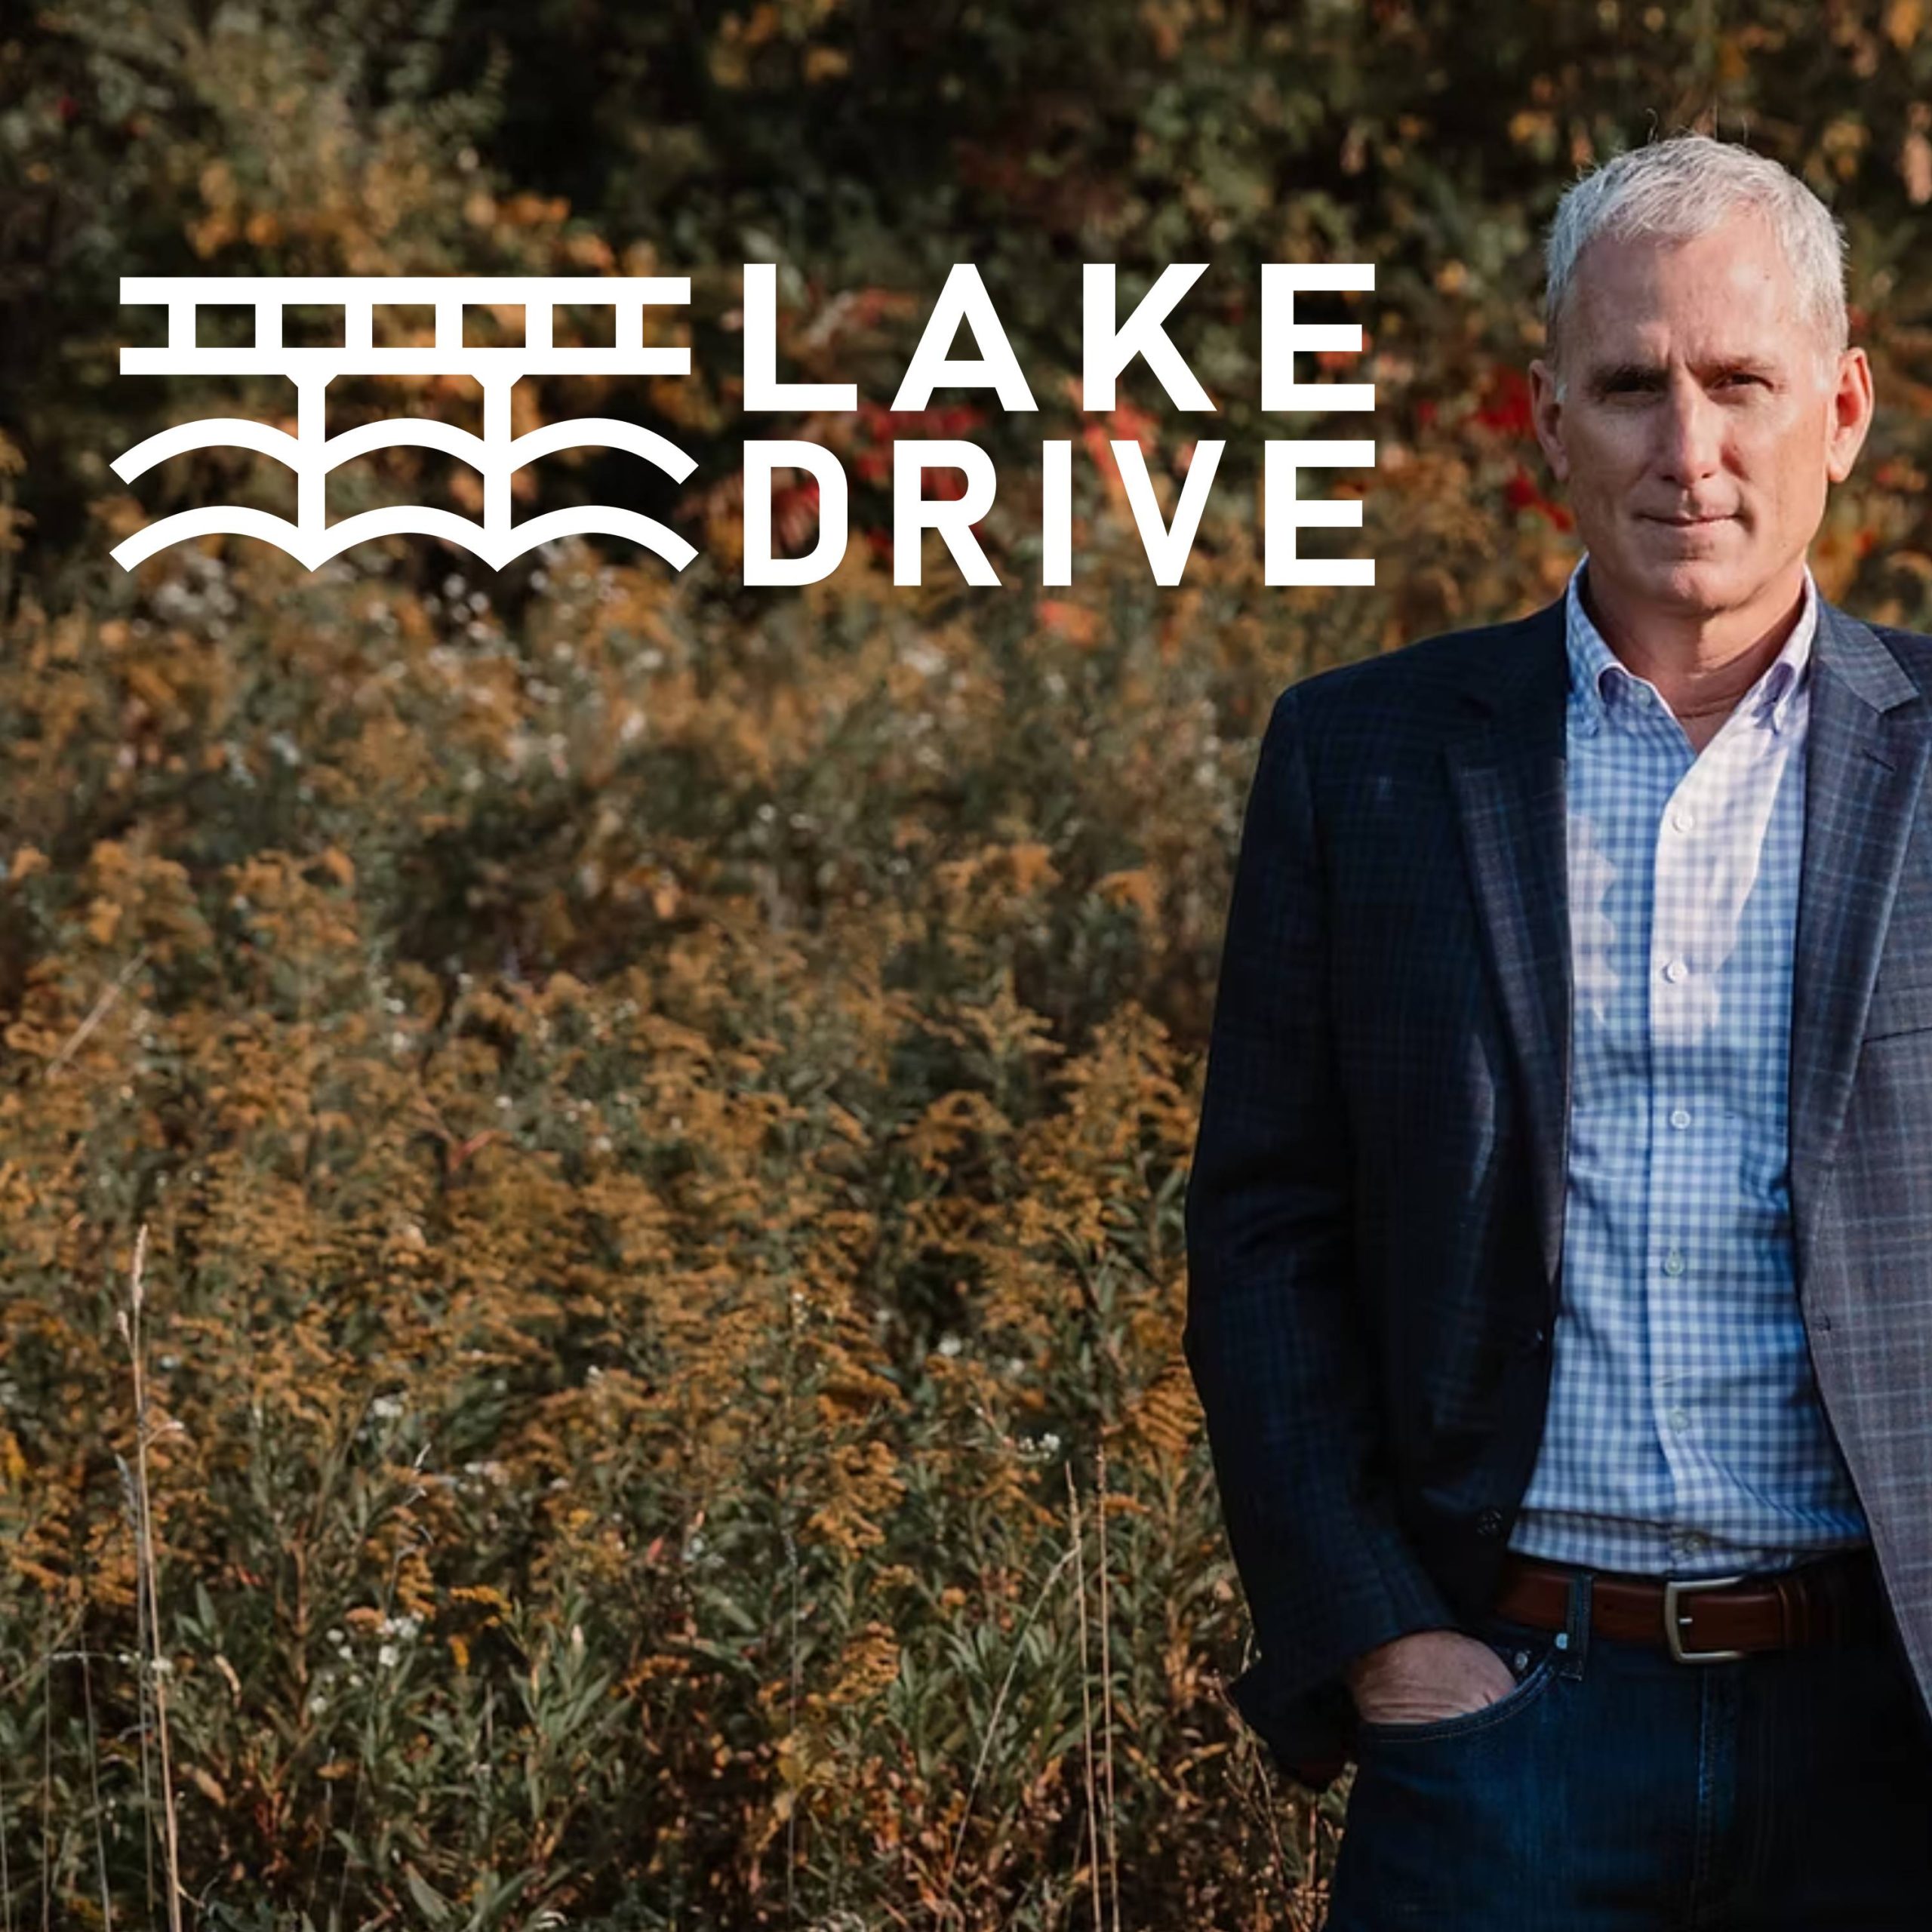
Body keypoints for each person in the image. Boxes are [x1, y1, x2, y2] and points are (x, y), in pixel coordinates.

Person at [1183, 131, 1932, 1928]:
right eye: (1630, 386)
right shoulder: (1365, 761)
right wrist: (1380, 1639)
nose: (1688, 450)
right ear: (1543, 420)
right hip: (1503, 1733)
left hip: (1887, 1733)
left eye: (1738, 381)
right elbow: (1263, 1229)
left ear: (1836, 408)